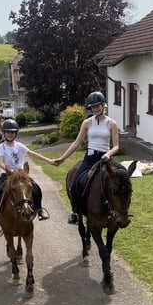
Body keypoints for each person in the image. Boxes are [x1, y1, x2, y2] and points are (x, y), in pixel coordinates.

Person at [53, 91, 120, 224]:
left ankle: (118, 211)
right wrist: (62, 158)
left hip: (105, 159)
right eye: (93, 107)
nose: (95, 109)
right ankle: (75, 212)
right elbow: (76, 143)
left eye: (97, 106)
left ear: (103, 105)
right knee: (75, 183)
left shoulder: (112, 123)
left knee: (120, 182)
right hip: (89, 158)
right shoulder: (87, 123)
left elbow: (116, 146)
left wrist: (108, 154)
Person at [0, 119, 54, 222]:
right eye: (8, 132)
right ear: (4, 133)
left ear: (15, 133)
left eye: (12, 132)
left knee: (35, 188)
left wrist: (49, 160)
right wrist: (10, 170)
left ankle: (40, 209)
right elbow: (1, 163)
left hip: (21, 174)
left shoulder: (19, 145)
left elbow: (32, 153)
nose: (10, 135)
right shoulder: (2, 147)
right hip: (7, 174)